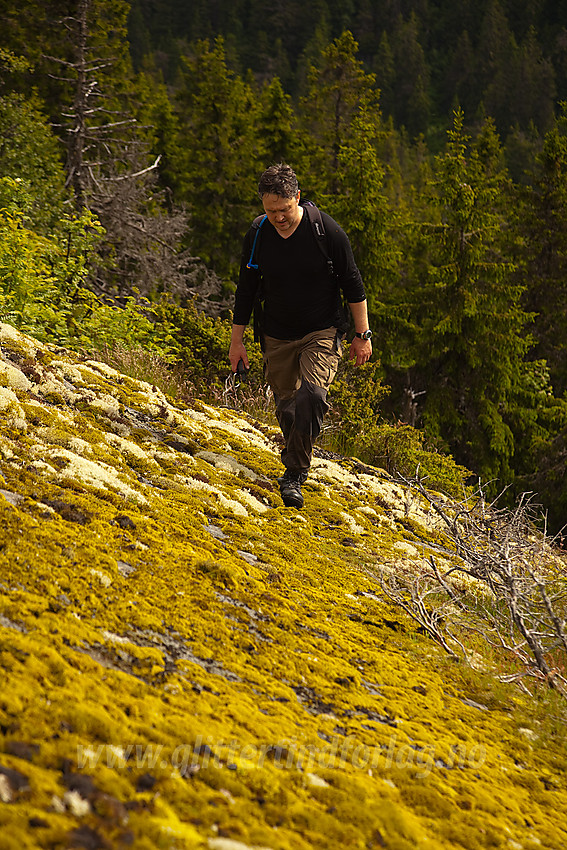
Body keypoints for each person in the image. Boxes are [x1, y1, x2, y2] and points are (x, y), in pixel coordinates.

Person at [229, 163, 372, 509]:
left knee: (312, 395)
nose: (278, 217)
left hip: (321, 330)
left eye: (284, 209)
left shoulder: (327, 232)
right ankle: (296, 448)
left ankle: (294, 474)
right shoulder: (258, 234)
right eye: (270, 210)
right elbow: (246, 291)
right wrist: (237, 341)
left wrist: (362, 334)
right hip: (276, 334)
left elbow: (353, 283)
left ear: (297, 197)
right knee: (289, 409)